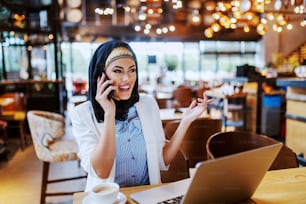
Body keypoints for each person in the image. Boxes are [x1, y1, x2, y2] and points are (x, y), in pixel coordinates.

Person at [71, 40, 212, 191]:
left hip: (147, 196)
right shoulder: (82, 114)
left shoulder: (148, 104)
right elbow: (102, 171)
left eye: (132, 70)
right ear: (101, 75)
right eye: (118, 71)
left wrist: (185, 121)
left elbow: (162, 160)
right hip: (109, 199)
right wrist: (109, 114)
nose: (127, 78)